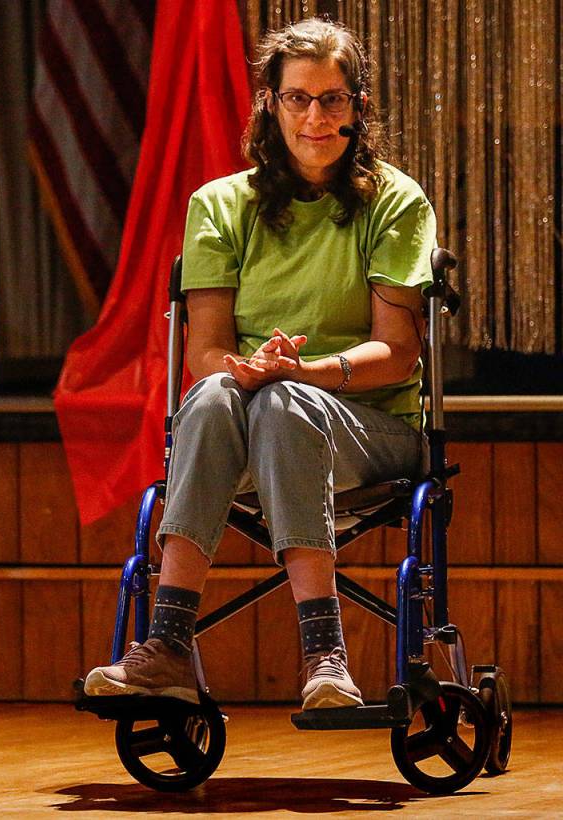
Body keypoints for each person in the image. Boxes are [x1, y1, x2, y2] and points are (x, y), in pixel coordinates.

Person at [83, 17, 435, 711]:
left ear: (358, 109)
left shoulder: (396, 201)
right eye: (298, 98)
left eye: (333, 99)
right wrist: (248, 368)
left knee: (283, 404)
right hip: (256, 411)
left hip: (372, 426)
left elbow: (396, 354)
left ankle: (324, 655)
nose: (314, 115)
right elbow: (206, 350)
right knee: (215, 393)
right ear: (270, 106)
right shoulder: (217, 205)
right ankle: (169, 646)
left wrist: (300, 374)